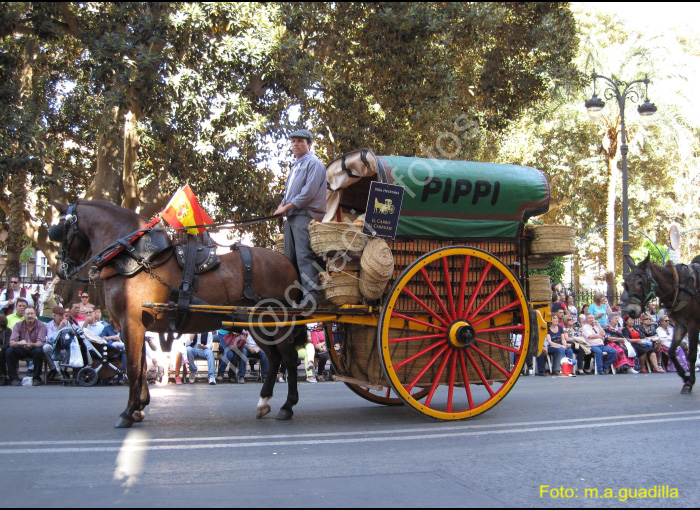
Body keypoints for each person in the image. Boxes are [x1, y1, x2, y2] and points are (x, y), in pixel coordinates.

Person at [273, 128, 327, 307]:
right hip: (292, 216)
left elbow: (307, 194)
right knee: (289, 259)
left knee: (304, 255)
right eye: (293, 141)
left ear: (309, 145)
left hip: (305, 214)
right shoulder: (296, 166)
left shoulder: (314, 163)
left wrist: (285, 207)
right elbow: (289, 194)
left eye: (300, 141)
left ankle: (312, 297)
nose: (295, 144)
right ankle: (295, 297)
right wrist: (281, 208)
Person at [4, 307, 47, 385]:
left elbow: (40, 342)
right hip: (21, 348)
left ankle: (36, 378)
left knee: (39, 352)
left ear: (35, 315)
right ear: (24, 315)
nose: (30, 316)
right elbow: (12, 342)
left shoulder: (41, 325)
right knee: (9, 351)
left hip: (34, 347)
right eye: (28, 314)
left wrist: (30, 344)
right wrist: (19, 342)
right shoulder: (18, 325)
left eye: (32, 314)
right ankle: (13, 378)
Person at [43, 305, 68, 379]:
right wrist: (60, 328)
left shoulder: (67, 323)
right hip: (53, 348)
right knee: (46, 348)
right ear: (54, 316)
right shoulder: (49, 325)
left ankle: (63, 370)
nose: (62, 317)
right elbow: (50, 339)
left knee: (70, 349)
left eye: (63, 315)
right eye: (60, 315)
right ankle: (54, 369)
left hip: (64, 347)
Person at [0, 314, 12, 385]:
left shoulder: (7, 330)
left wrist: (1, 348)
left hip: (4, 349)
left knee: (0, 355)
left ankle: (3, 376)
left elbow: (8, 343)